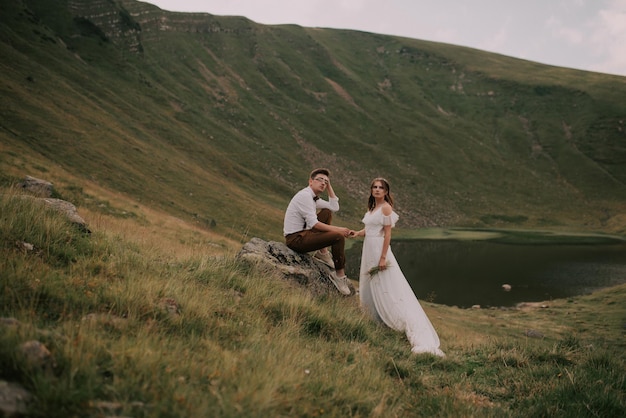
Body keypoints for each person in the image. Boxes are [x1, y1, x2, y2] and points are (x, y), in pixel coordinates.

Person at [352, 178, 445, 356]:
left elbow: (387, 235)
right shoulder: (372, 208)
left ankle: (398, 322)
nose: (377, 190)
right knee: (372, 283)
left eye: (381, 188)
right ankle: (375, 318)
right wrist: (357, 233)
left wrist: (383, 257)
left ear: (386, 192)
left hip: (379, 249)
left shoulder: (386, 207)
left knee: (388, 285)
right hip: (368, 248)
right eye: (375, 187)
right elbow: (370, 229)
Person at [283, 168, 354, 295]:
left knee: (327, 212)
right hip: (296, 239)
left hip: (304, 234)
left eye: (326, 182)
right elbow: (314, 225)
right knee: (338, 237)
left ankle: (323, 253)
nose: (323, 183)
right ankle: (339, 276)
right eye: (320, 180)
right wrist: (339, 229)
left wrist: (329, 186)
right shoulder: (305, 196)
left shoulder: (313, 197)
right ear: (310, 181)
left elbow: (334, 207)